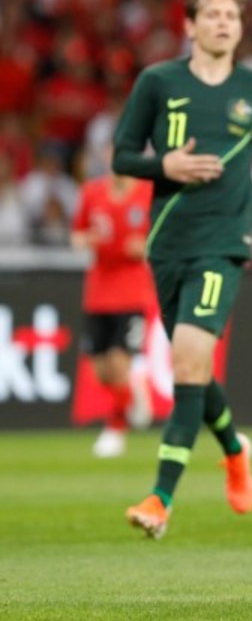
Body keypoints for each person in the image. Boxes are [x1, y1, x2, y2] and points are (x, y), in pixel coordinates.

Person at [112, 0, 252, 539]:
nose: (223, 23)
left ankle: (161, 497)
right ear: (189, 25)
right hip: (168, 242)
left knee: (189, 362)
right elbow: (122, 155)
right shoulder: (158, 82)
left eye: (231, 16)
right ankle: (235, 448)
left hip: (223, 242)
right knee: (192, 364)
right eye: (212, 14)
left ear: (240, 29)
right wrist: (163, 166)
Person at [70, 152, 155, 457]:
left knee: (118, 362)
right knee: (100, 371)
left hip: (132, 292)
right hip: (98, 292)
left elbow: (165, 236)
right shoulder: (92, 192)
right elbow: (76, 235)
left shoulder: (148, 193)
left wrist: (145, 247)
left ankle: (115, 430)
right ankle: (133, 388)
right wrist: (85, 240)